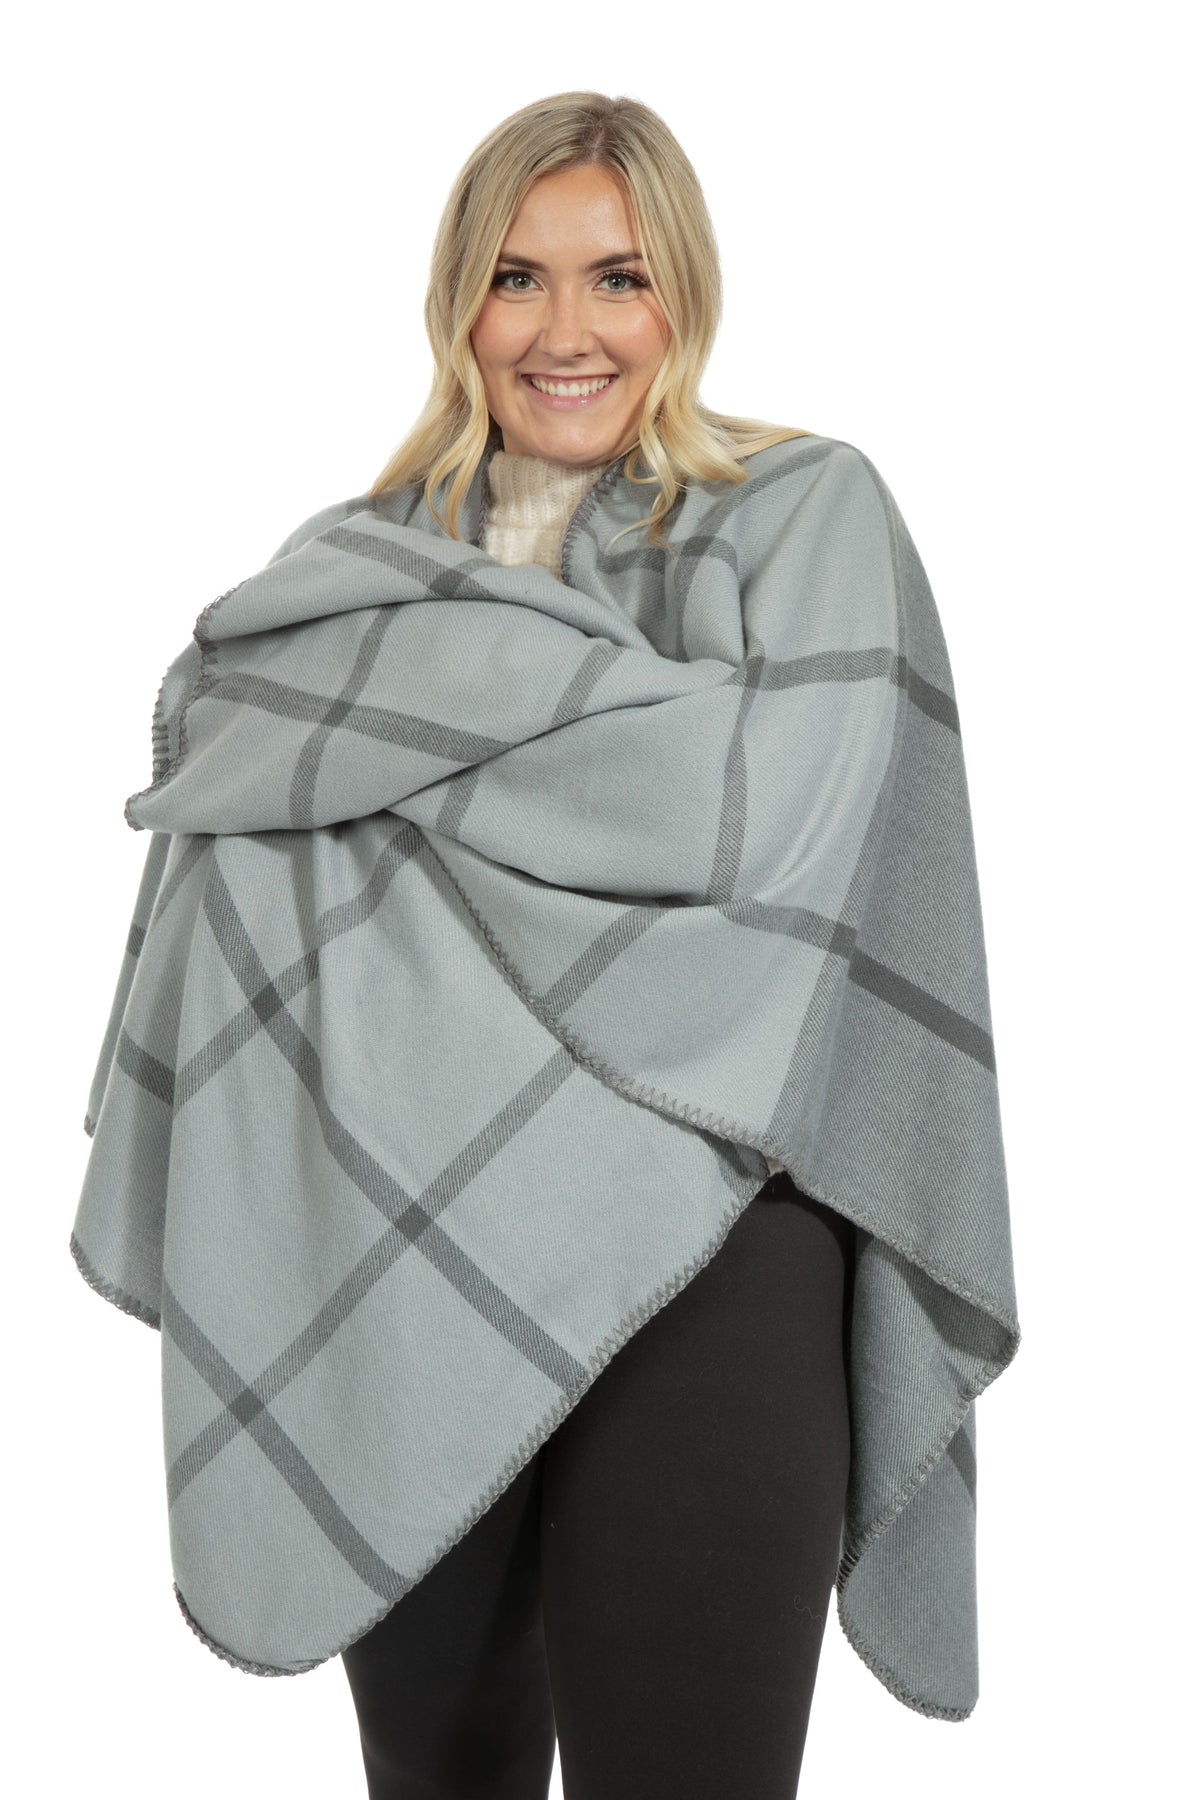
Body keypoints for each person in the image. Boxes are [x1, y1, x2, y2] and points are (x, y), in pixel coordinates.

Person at [71, 88, 1018, 1800]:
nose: (565, 332)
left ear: (685, 297)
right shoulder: (347, 571)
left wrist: (406, 797)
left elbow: (747, 830)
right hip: (383, 1239)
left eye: (617, 277)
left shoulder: (806, 516)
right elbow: (232, 849)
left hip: (720, 1254)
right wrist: (588, 743)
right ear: (458, 302)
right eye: (517, 277)